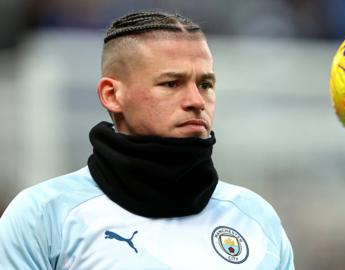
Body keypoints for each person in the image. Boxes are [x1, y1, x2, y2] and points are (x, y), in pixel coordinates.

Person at [0, 10, 294, 269]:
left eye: (205, 84)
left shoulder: (256, 218)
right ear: (112, 95)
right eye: (171, 83)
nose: (196, 100)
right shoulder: (44, 215)